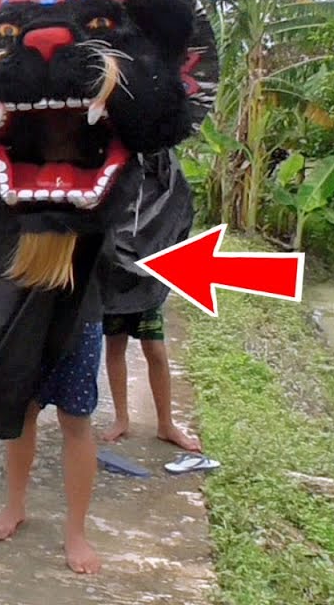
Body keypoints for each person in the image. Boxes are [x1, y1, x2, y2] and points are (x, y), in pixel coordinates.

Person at [0, 309, 106, 576]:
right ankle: (14, 505)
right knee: (24, 412)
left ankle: (76, 532)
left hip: (81, 320)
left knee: (76, 421)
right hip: (29, 317)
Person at [98, 150, 201, 453]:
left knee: (155, 348)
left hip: (149, 268)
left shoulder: (162, 157)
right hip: (114, 268)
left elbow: (178, 202)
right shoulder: (112, 151)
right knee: (115, 344)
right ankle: (121, 418)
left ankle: (166, 423)